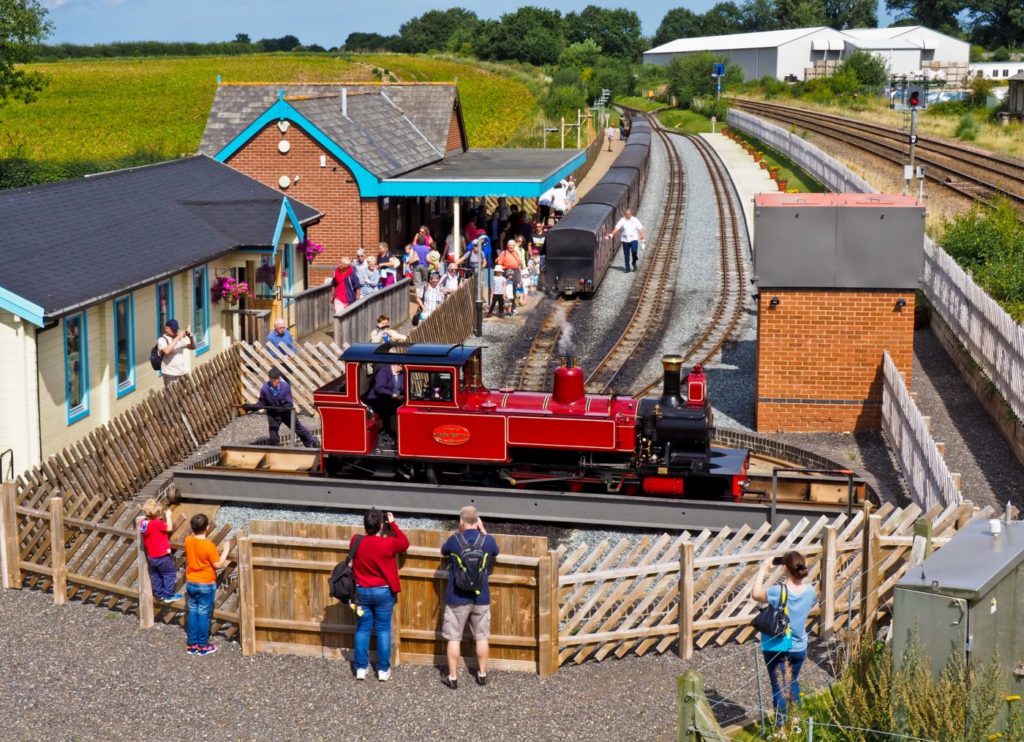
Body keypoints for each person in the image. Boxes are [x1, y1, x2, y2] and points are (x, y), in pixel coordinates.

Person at [752, 551, 816, 724]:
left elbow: (756, 594)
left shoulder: (778, 591)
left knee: (778, 686)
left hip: (777, 646)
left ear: (785, 568)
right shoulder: (810, 591)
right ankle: (796, 722)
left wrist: (763, 570)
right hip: (799, 646)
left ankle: (781, 728)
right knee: (792, 682)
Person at [440, 506, 500, 689]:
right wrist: (483, 531)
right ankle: (482, 674)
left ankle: (452, 677)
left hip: (456, 597)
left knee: (454, 638)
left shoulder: (454, 540)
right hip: (480, 597)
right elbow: (496, 551)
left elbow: (443, 551)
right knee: (481, 637)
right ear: (478, 520)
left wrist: (459, 532)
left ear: (461, 521)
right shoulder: (488, 541)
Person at [351, 508, 409, 681]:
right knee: (383, 629)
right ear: (381, 525)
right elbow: (404, 543)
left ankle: (361, 668)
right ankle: (383, 670)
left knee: (363, 629)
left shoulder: (356, 540)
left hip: (361, 591)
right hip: (383, 591)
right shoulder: (388, 544)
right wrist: (393, 524)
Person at [184, 513, 232, 656]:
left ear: (192, 528)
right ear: (208, 527)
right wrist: (226, 550)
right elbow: (218, 564)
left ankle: (192, 644)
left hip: (191, 581)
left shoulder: (188, 540)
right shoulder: (208, 546)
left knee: (192, 611)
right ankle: (203, 645)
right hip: (205, 582)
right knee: (203, 613)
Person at [256, 368, 319, 448]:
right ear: (270, 379)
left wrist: (284, 407)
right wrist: (252, 407)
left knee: (298, 428)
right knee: (273, 431)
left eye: (278, 378)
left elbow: (290, 403)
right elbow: (262, 401)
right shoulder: (265, 388)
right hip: (273, 413)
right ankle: (275, 449)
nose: (277, 381)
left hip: (286, 412)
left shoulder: (285, 386)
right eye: (274, 379)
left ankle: (311, 443)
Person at [139, 499, 181, 604]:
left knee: (155, 574)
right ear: (158, 513)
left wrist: (153, 517)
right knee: (169, 574)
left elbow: (149, 523)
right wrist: (168, 516)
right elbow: (169, 528)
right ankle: (168, 595)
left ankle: (158, 594)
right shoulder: (158, 524)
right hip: (162, 556)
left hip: (151, 556)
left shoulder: (143, 524)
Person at [364, 362, 404, 440]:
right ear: (398, 365)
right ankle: (386, 433)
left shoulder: (402, 374)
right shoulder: (383, 371)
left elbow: (404, 387)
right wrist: (392, 395)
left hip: (394, 399)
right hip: (378, 399)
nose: (404, 368)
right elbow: (379, 388)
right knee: (390, 408)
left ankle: (397, 432)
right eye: (403, 366)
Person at [158, 319, 195, 388]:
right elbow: (167, 351)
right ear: (167, 329)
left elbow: (192, 347)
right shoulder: (162, 340)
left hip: (182, 372)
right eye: (174, 330)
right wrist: (178, 337)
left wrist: (191, 338)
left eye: (176, 329)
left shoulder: (179, 338)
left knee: (185, 395)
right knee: (172, 397)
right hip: (170, 374)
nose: (175, 331)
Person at [608, 208, 646, 273]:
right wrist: (611, 234)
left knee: (634, 251)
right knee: (626, 254)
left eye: (628, 214)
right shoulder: (622, 220)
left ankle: (634, 263)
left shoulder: (635, 220)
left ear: (631, 214)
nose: (627, 215)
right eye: (626, 214)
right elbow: (617, 228)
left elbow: (640, 229)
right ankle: (627, 268)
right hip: (625, 239)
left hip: (634, 239)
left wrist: (643, 239)